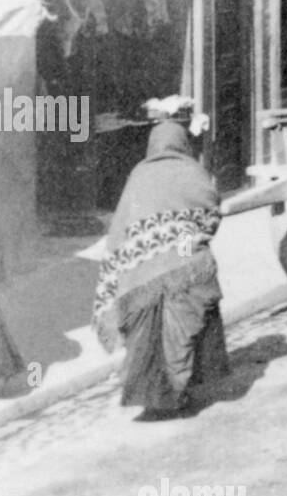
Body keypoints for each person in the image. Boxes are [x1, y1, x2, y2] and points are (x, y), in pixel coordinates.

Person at [92, 99, 229, 419]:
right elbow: (210, 214)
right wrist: (182, 241)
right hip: (184, 263)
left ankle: (152, 394)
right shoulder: (192, 170)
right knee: (183, 324)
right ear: (182, 142)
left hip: (141, 268)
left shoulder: (139, 173)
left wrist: (146, 251)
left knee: (145, 333)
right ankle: (178, 390)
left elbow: (122, 226)